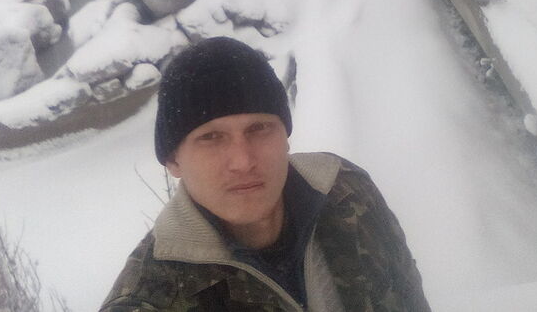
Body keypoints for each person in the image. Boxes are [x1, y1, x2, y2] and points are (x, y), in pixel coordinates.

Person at [99, 36, 432, 312]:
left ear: (285, 136)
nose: (243, 161)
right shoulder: (150, 298)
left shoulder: (346, 188)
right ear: (173, 161)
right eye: (211, 137)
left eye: (259, 128)